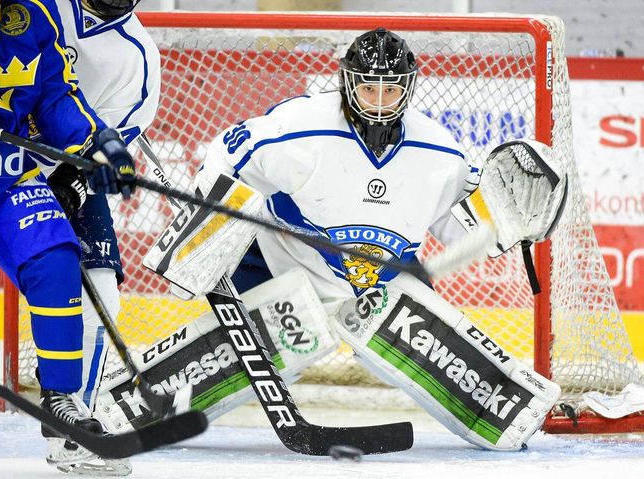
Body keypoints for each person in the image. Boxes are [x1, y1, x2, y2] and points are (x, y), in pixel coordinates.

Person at [141, 28, 562, 452]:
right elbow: (227, 156)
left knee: (400, 343)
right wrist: (203, 227)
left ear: (409, 88)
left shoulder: (441, 153)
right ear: (347, 82)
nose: (380, 101)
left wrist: (507, 225)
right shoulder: (301, 127)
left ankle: (499, 410)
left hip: (380, 284)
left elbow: (462, 227)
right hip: (281, 263)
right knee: (272, 357)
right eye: (368, 87)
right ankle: (143, 405)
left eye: (392, 89)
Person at [0, 0, 135, 468]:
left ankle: (63, 408)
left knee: (56, 260)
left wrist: (99, 142)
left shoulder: (36, 14)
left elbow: (58, 95)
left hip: (4, 173)